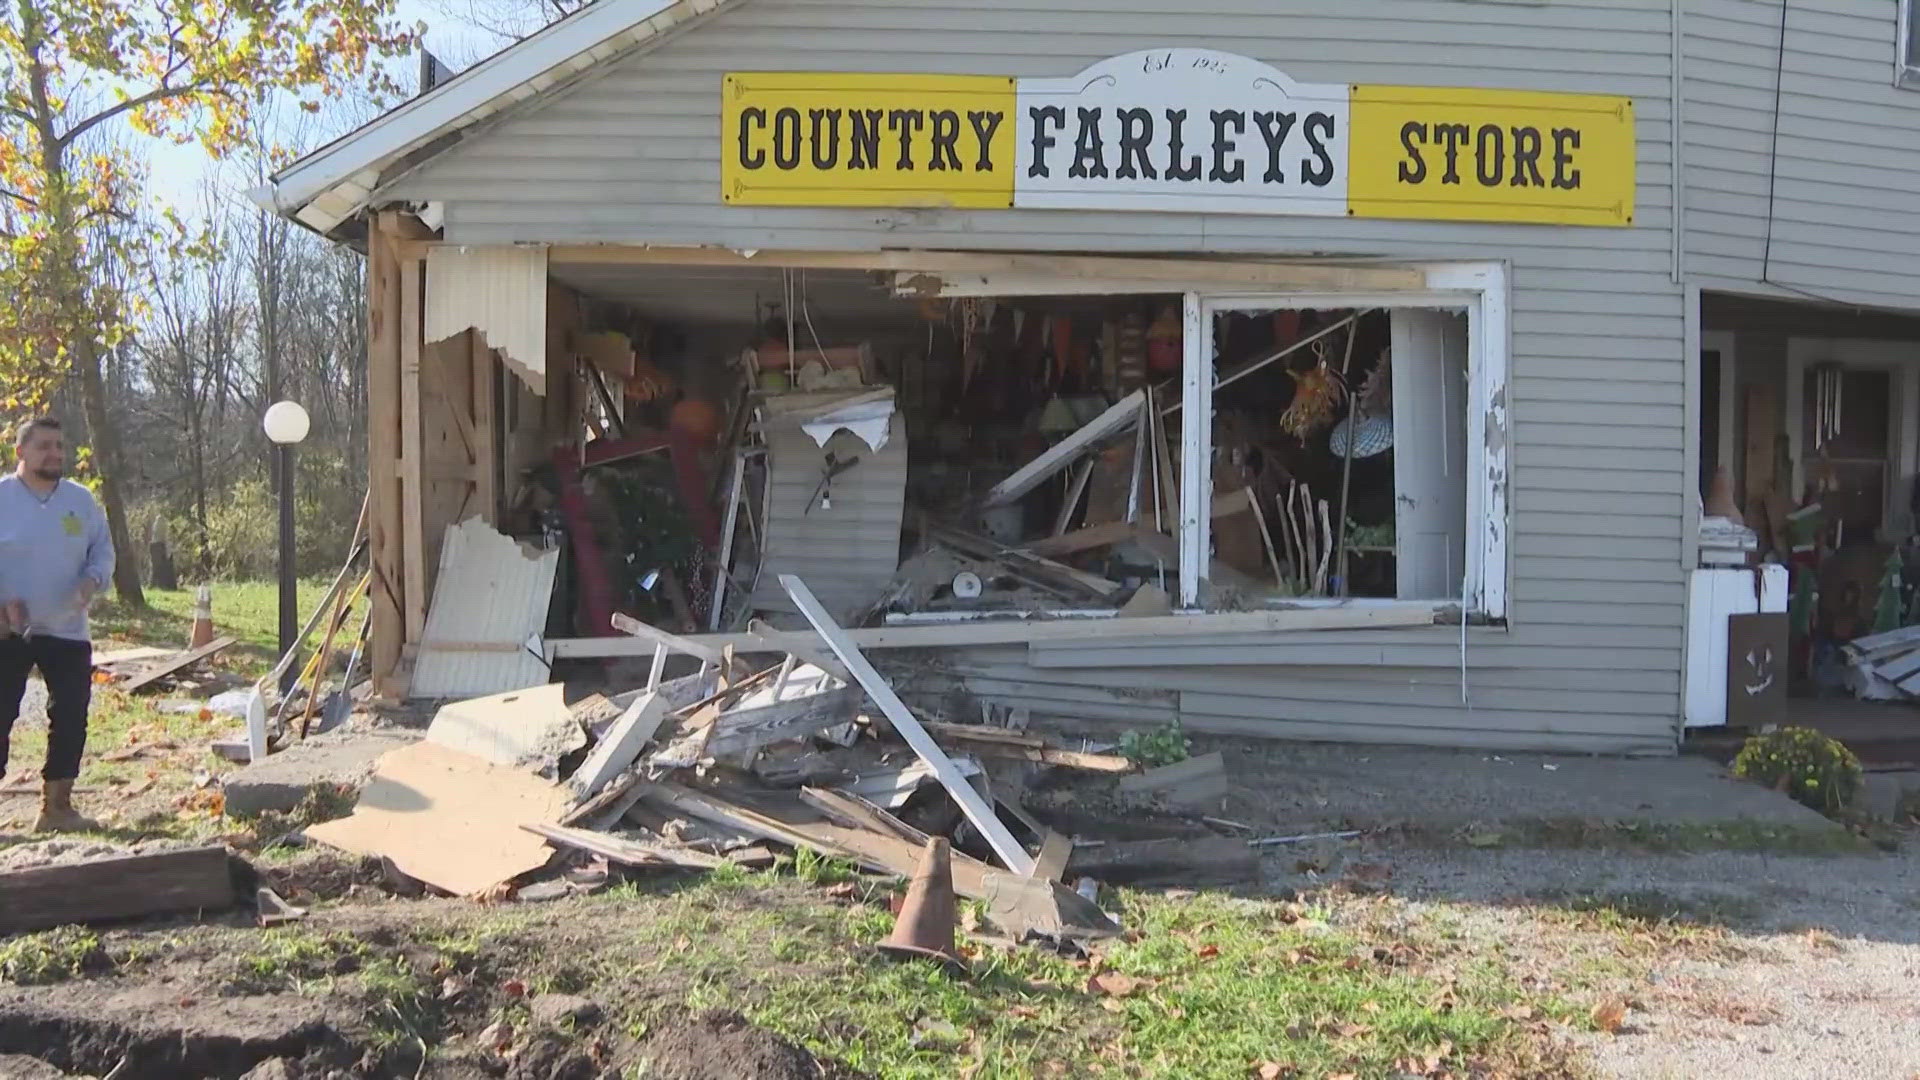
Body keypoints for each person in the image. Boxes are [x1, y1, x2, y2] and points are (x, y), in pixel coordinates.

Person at [0, 417, 114, 832]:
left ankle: (56, 808)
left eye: (60, 446)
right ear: (21, 453)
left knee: (70, 714)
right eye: (44, 446)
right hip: (7, 631)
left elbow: (102, 550)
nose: (55, 454)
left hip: (67, 628)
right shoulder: (2, 498)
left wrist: (92, 580)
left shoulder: (80, 501)